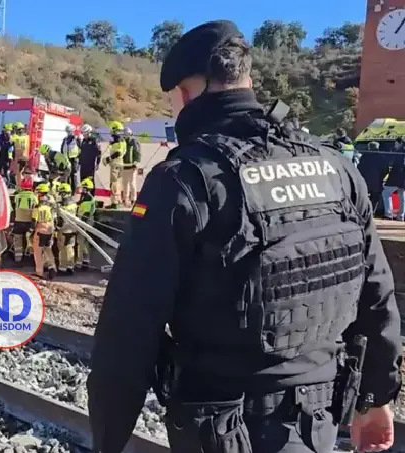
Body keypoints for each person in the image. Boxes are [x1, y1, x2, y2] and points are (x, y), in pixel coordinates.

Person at [87, 20, 401, 453]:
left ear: (185, 93)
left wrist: (109, 440)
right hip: (319, 423)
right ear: (246, 79)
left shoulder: (182, 180)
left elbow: (126, 335)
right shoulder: (336, 169)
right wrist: (375, 399)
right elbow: (378, 296)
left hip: (222, 429)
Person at [31, 183, 56, 280]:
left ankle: (39, 272)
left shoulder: (37, 208)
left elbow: (34, 222)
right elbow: (54, 219)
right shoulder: (50, 207)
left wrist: (31, 231)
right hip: (49, 230)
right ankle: (52, 267)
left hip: (40, 231)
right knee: (48, 250)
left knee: (38, 252)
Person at [11, 177, 38, 263]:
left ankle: (18, 258)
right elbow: (36, 207)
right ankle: (31, 257)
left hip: (18, 221)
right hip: (29, 222)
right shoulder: (33, 197)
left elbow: (14, 208)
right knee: (31, 239)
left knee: (17, 239)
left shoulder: (17, 196)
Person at [54, 183, 77, 275]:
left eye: (61, 193)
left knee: (62, 249)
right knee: (70, 248)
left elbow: (60, 220)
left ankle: (63, 268)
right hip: (73, 229)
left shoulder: (61, 206)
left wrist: (57, 227)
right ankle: (71, 267)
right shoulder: (74, 205)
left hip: (63, 230)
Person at [103, 121, 126, 208]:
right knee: (118, 183)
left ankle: (114, 202)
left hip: (115, 164)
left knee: (114, 183)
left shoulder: (117, 139)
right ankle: (118, 200)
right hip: (120, 163)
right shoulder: (122, 140)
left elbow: (118, 153)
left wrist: (108, 159)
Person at [75, 177, 96, 270]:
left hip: (85, 222)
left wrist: (80, 224)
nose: (82, 189)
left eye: (84, 188)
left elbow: (86, 214)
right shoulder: (85, 197)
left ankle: (84, 261)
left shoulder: (88, 198)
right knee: (83, 242)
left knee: (82, 242)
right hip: (85, 221)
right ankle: (84, 260)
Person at [383, 141, 405, 220]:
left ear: (400, 143)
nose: (395, 145)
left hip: (397, 177)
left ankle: (388, 214)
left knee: (385, 192)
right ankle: (401, 216)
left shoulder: (400, 151)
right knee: (402, 196)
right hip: (402, 178)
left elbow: (397, 164)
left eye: (396, 143)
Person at [122, 127, 141, 205]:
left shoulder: (134, 142)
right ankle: (125, 199)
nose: (126, 136)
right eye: (125, 134)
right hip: (124, 166)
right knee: (124, 184)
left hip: (132, 167)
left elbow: (137, 153)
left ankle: (133, 199)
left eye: (128, 134)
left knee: (132, 183)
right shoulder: (123, 142)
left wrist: (136, 164)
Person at [60, 125, 82, 194]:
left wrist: (79, 158)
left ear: (73, 131)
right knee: (67, 174)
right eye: (67, 131)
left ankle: (73, 191)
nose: (69, 133)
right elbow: (62, 149)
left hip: (74, 159)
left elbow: (81, 149)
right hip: (67, 159)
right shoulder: (65, 139)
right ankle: (68, 190)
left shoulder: (77, 139)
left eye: (70, 131)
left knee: (73, 175)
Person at [10, 122, 30, 188]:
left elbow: (10, 140)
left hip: (20, 157)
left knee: (18, 174)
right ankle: (22, 186)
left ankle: (19, 187)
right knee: (20, 173)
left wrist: (12, 133)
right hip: (25, 157)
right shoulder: (27, 137)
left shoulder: (17, 138)